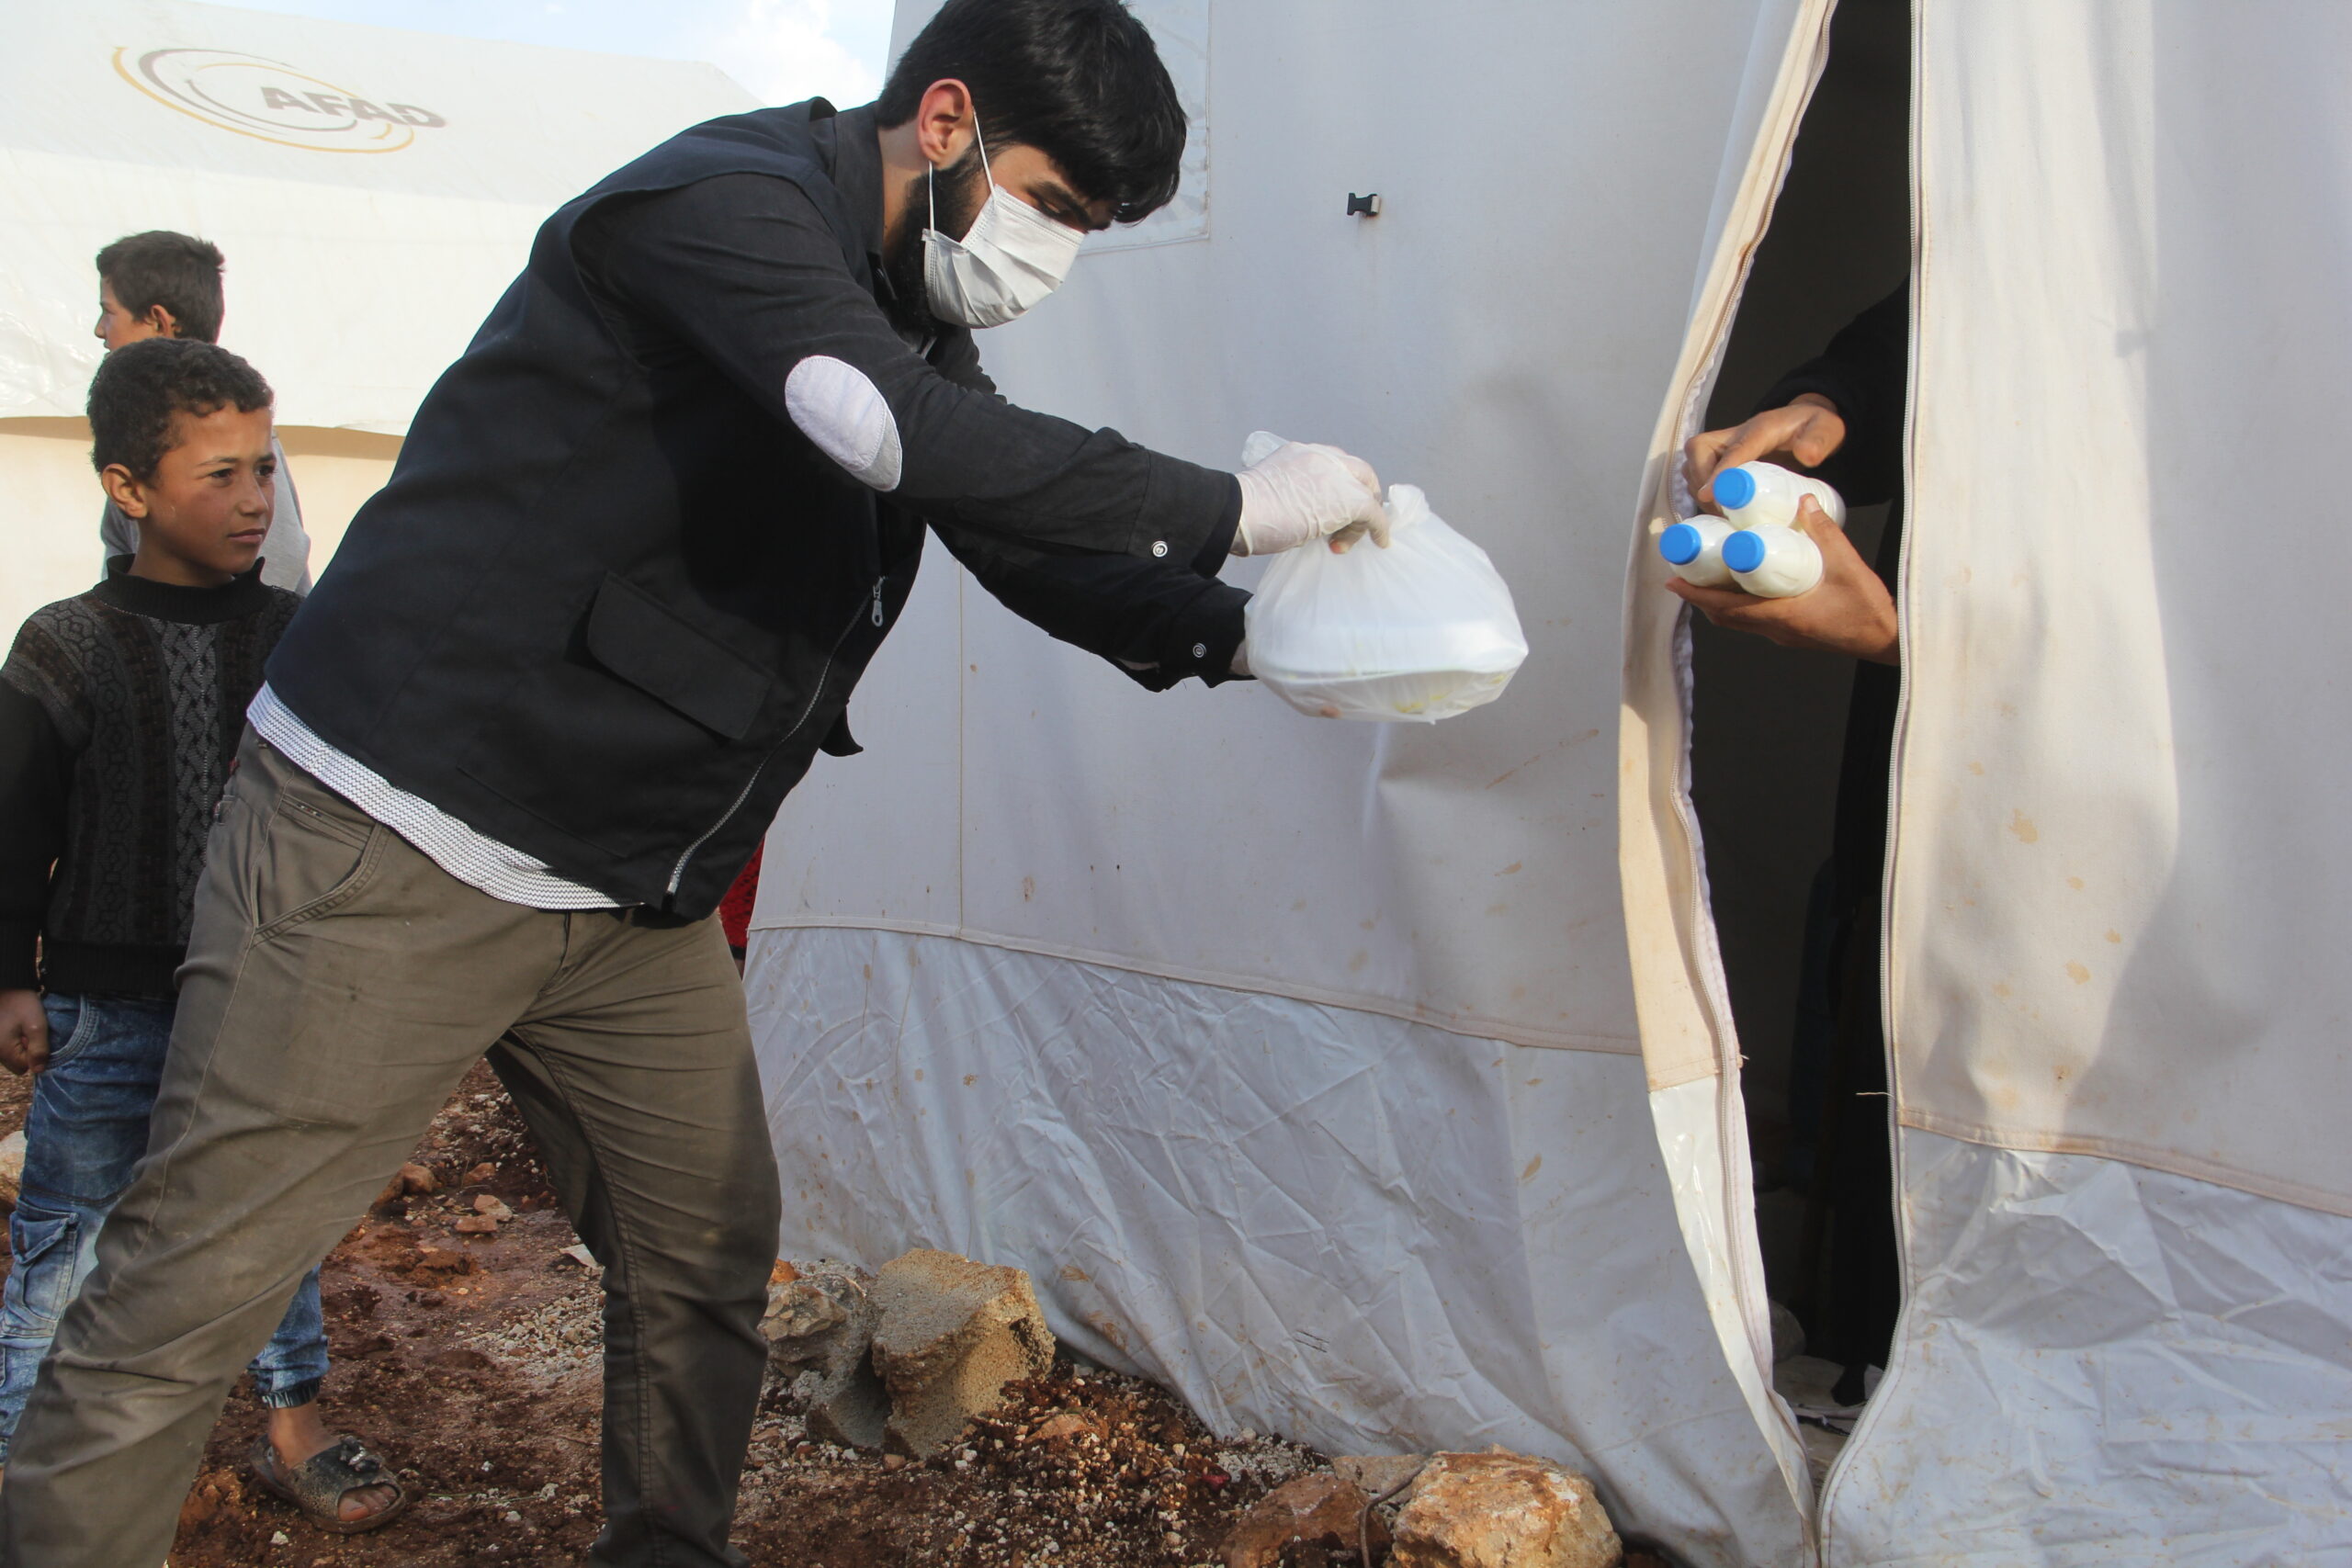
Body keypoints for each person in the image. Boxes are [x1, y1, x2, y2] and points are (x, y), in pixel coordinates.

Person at [0, 3, 1387, 1562]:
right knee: (186, 1296)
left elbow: (1020, 530)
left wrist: (1258, 636)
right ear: (947, 122)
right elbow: (891, 434)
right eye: (1056, 206)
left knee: (703, 1261)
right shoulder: (725, 205)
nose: (1055, 256)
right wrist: (1235, 504)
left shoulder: (901, 309)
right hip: (396, 841)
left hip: (625, 887)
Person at [0, 339, 404, 1530]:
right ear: (127, 487)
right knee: (70, 1236)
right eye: (218, 474)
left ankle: (293, 1427)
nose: (253, 498)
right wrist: (10, 975)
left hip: (262, 1001)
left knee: (269, 1223)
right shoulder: (61, 642)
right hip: (105, 1007)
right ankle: (30, 1459)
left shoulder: (299, 636)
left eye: (264, 469)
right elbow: (15, 823)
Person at [1672, 285, 1907, 1405]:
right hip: (1901, 783)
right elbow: (1917, 339)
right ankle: (1864, 1345)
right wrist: (1828, 404)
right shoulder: (2027, 220)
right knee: (1868, 1011)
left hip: (2105, 811)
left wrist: (1922, 638)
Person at [92, 231, 314, 595]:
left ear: (158, 321)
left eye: (109, 311)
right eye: (222, 474)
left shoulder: (238, 433)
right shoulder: (137, 438)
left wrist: (230, 626)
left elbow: (281, 560)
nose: (100, 330)